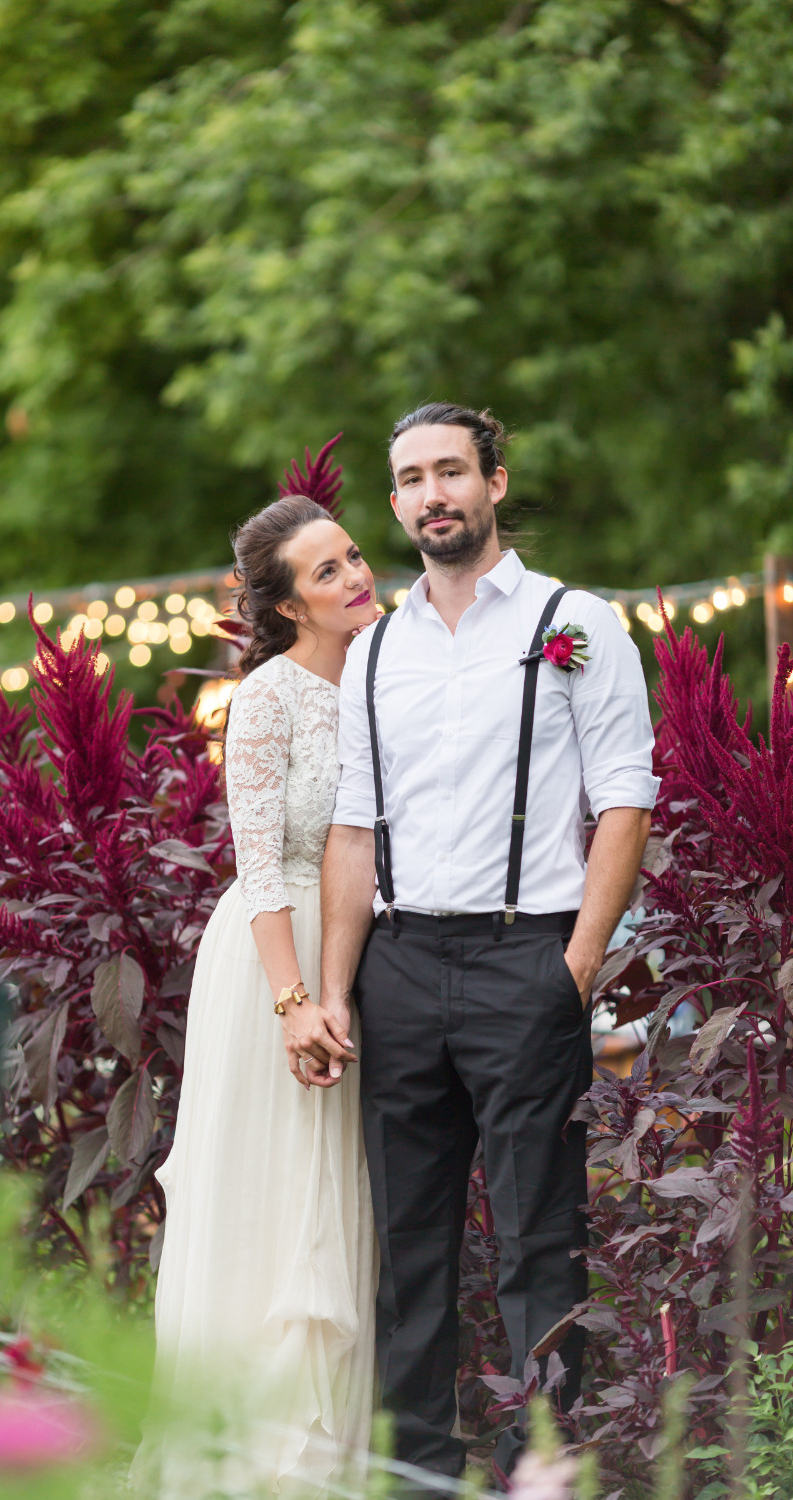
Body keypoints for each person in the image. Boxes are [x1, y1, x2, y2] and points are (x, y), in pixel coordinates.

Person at [317, 402, 659, 1482]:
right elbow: (354, 825)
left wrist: (574, 961)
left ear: (495, 482)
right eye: (412, 479)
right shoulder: (371, 651)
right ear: (395, 504)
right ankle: (411, 1470)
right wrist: (334, 986)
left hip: (530, 958)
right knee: (407, 1249)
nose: (433, 495)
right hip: (402, 964)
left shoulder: (577, 622)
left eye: (452, 471)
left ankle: (540, 1466)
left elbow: (624, 799)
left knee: (538, 1240)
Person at [134, 492, 379, 1498]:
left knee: (334, 1204)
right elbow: (262, 865)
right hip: (270, 968)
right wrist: (296, 1004)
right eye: (327, 572)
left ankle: (324, 1464)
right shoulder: (268, 699)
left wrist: (343, 989)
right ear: (284, 607)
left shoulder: (385, 678)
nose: (357, 576)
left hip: (358, 958)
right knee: (268, 1207)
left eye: (353, 555)